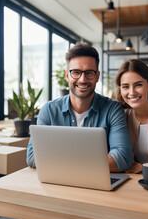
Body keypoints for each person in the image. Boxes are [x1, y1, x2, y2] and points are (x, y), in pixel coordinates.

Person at [27, 43, 132, 173]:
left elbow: (121, 158)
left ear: (97, 76)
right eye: (76, 72)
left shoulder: (113, 109)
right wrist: (90, 162)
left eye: (89, 73)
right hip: (58, 183)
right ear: (67, 76)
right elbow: (33, 156)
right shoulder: (49, 110)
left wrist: (61, 161)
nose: (82, 79)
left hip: (97, 186)